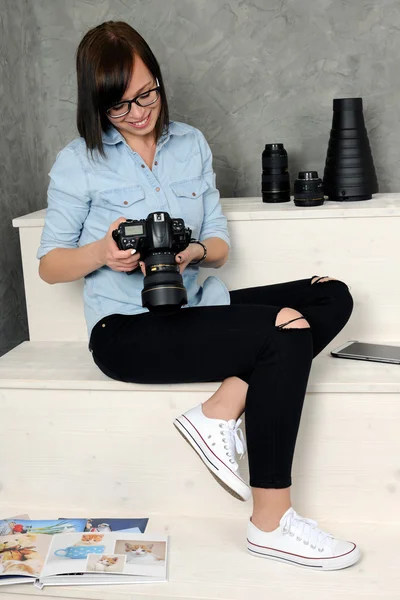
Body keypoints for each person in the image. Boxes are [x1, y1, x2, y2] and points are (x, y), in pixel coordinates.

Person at [37, 21, 359, 571]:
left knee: (329, 296)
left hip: (195, 302)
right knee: (285, 330)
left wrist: (192, 253)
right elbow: (48, 265)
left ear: (159, 80)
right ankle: (270, 523)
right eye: (120, 106)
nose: (139, 112)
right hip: (126, 331)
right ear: (97, 106)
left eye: (147, 94)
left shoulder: (191, 144)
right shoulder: (78, 162)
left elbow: (219, 244)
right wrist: (102, 253)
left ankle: (222, 406)